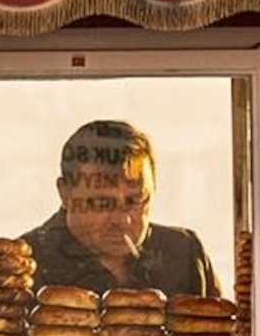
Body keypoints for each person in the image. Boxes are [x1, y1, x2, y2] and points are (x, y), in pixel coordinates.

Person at [24, 120, 223, 298]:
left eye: (135, 200)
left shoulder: (185, 253)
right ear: (64, 194)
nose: (122, 220)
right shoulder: (20, 268)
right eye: (102, 203)